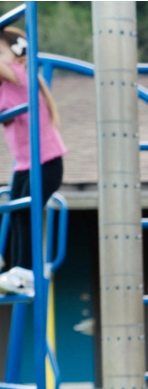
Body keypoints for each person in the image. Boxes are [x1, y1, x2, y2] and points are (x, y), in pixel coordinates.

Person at [0, 26, 66, 294]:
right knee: (15, 212)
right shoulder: (6, 86)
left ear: (18, 56)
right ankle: (16, 270)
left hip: (46, 160)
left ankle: (26, 273)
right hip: (24, 164)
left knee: (26, 212)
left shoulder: (20, 75)